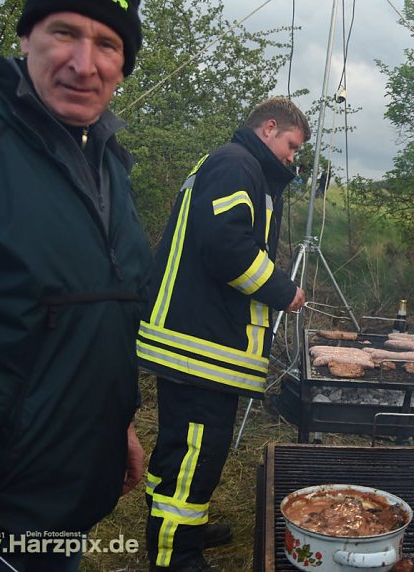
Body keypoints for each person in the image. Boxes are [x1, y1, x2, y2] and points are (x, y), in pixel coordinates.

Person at [0, 0, 152, 571]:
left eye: (108, 45)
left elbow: (97, 313)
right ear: (27, 37)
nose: (85, 64)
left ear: (124, 65)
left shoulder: (107, 161)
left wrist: (116, 423)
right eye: (64, 33)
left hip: (64, 505)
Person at [138, 97, 310, 571]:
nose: (292, 159)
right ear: (269, 128)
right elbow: (227, 248)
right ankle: (176, 556)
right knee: (197, 453)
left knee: (180, 447)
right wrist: (283, 290)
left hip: (197, 340)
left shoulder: (236, 166)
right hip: (199, 345)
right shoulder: (236, 164)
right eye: (291, 147)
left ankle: (177, 525)